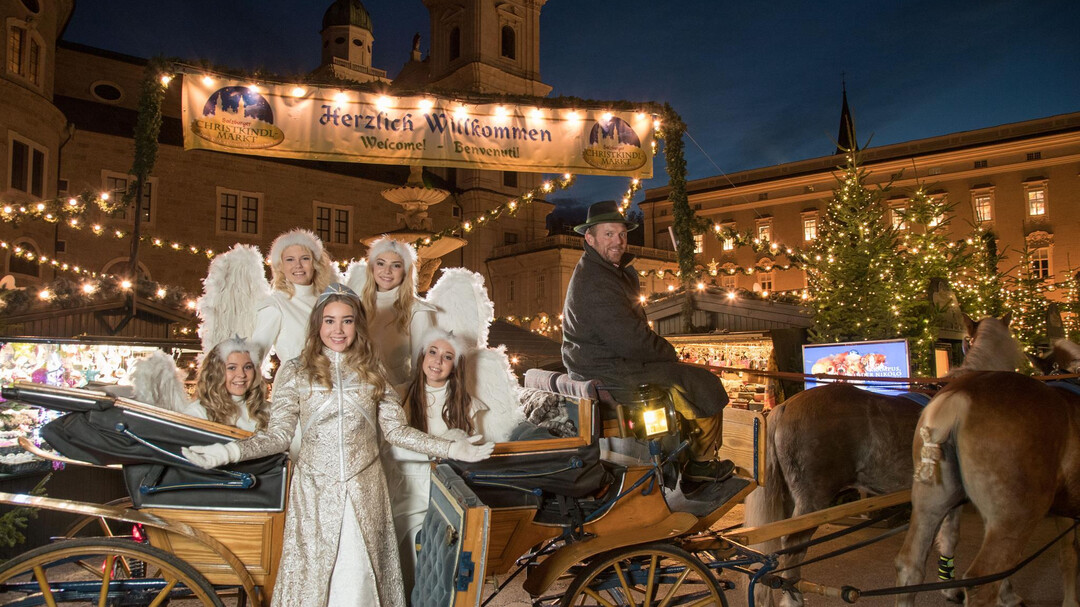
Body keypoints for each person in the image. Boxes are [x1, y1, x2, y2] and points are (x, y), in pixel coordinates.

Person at [182, 284, 493, 607]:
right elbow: (278, 437)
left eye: (346, 320)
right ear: (318, 324)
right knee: (317, 583)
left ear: (357, 324)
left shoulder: (373, 371)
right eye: (329, 320)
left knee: (360, 580)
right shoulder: (295, 371)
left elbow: (396, 431)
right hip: (315, 494)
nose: (338, 329)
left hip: (366, 491)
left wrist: (451, 448)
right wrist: (228, 452)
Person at [561, 200, 734, 497]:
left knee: (686, 380)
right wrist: (670, 354)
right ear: (589, 238)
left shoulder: (599, 270)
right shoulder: (597, 280)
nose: (618, 241)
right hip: (613, 370)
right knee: (703, 383)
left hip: (605, 364)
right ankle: (700, 466)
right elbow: (630, 339)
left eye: (621, 234)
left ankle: (687, 456)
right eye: (608, 234)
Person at [384, 327, 482, 597]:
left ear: (455, 365)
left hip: (444, 492)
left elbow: (472, 453)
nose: (438, 361)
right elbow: (390, 446)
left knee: (435, 564)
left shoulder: (467, 405)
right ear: (422, 356)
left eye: (447, 356)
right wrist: (439, 450)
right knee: (401, 556)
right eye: (433, 352)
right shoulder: (400, 395)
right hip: (404, 488)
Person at [250, 229, 337, 367]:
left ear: (315, 263)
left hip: (330, 384)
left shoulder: (330, 301)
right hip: (292, 385)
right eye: (290, 259)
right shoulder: (275, 305)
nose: (298, 265)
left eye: (305, 258)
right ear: (281, 266)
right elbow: (254, 358)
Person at [361, 237, 436, 385]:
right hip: (357, 393)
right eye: (381, 263)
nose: (387, 271)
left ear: (405, 271)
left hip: (395, 393)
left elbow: (421, 367)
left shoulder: (417, 310)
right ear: (372, 268)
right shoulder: (357, 304)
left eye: (395, 265)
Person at [181, 336, 269, 432]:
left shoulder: (268, 410)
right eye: (232, 368)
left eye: (248, 367)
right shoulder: (198, 413)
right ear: (216, 372)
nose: (241, 374)